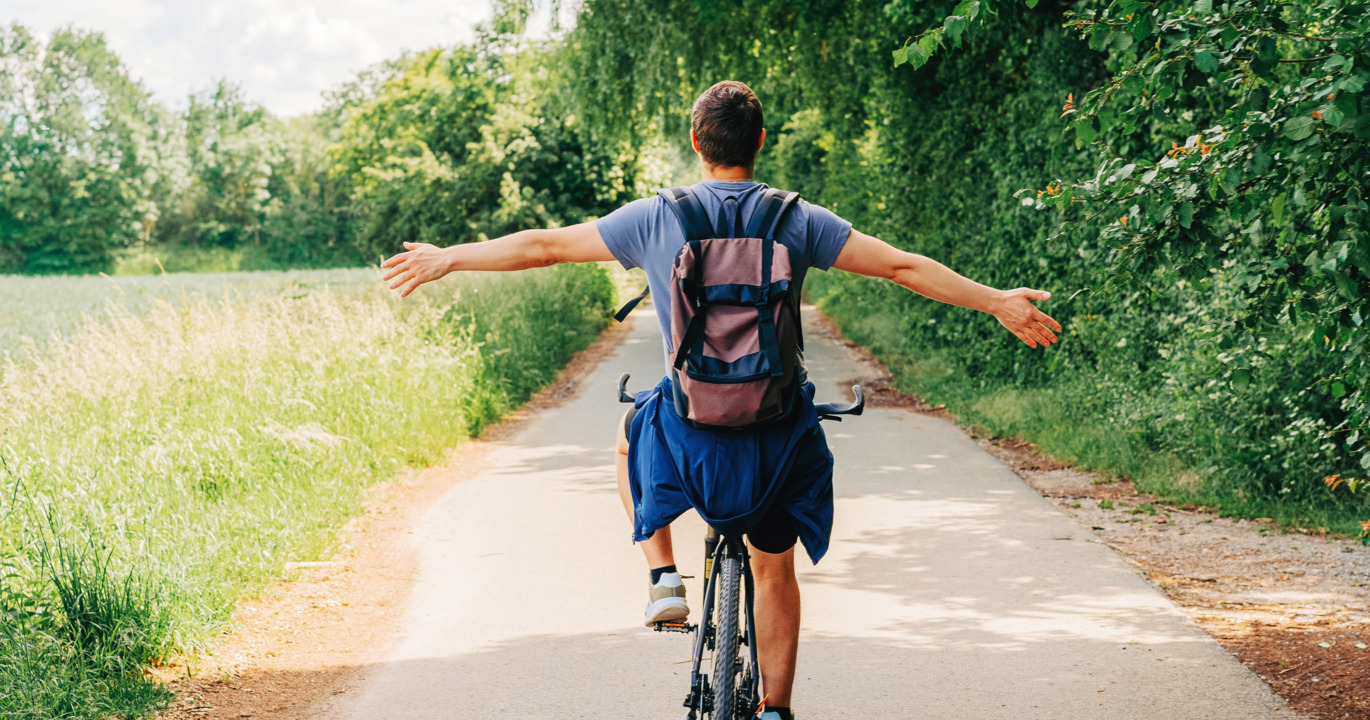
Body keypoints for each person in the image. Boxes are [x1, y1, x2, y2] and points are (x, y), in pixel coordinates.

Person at [381, 80, 1062, 720]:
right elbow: (902, 266)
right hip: (776, 436)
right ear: (760, 141)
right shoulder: (798, 220)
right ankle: (774, 708)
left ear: (696, 140)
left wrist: (451, 256)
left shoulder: (655, 218)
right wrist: (995, 300)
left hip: (688, 433)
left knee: (626, 434)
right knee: (775, 568)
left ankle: (664, 579)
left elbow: (544, 247)